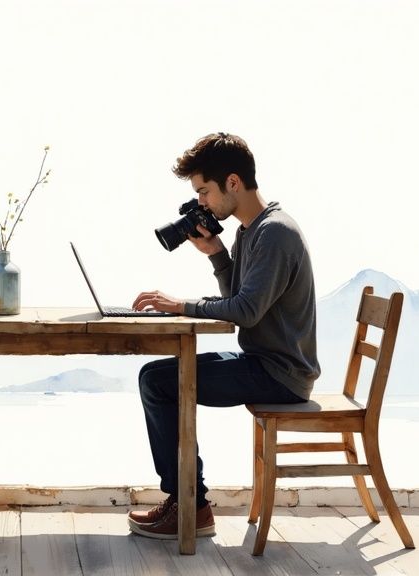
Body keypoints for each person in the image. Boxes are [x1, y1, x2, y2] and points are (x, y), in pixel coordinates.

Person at [126, 132, 321, 539]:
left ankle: (190, 507)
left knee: (158, 381)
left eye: (204, 191)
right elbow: (241, 299)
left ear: (233, 182)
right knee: (159, 377)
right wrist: (217, 252)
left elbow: (245, 312)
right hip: (265, 362)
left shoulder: (276, 233)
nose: (202, 202)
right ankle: (189, 503)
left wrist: (180, 305)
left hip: (279, 374)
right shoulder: (250, 231)